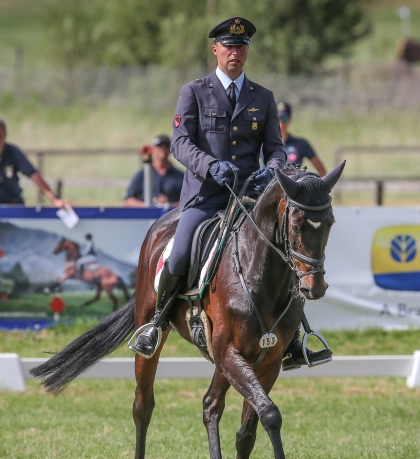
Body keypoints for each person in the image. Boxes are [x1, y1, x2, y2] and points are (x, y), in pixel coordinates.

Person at [130, 17, 326, 371]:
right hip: (205, 198)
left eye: (241, 47)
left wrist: (274, 169)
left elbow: (277, 149)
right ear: (215, 50)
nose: (235, 52)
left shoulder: (263, 97)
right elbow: (181, 143)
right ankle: (157, 323)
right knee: (179, 256)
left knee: (286, 256)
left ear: (247, 51)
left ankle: (295, 338)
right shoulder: (194, 91)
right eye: (229, 46)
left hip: (251, 200)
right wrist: (209, 166)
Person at [123, 134, 184, 207]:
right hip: (145, 216)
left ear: (170, 150)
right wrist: (148, 206)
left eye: (166, 146)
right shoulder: (143, 174)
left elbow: (188, 203)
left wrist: (169, 204)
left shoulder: (180, 176)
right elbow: (128, 201)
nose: (163, 149)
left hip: (171, 217)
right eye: (159, 146)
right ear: (153, 149)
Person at [277, 101, 327, 175]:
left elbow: (322, 172)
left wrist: (312, 185)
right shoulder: (263, 144)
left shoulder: (301, 144)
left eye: (284, 119)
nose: (281, 124)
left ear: (290, 120)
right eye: (278, 119)